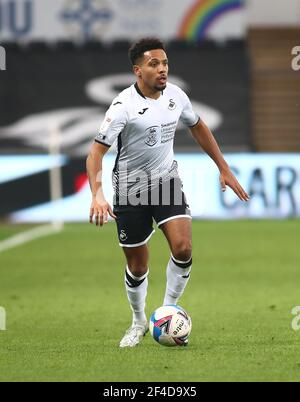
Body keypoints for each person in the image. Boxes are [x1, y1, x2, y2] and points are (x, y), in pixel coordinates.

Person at [86, 38, 250, 348]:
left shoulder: (177, 97)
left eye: (165, 64)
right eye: (154, 64)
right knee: (137, 266)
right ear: (138, 71)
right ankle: (137, 322)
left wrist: (223, 167)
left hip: (166, 183)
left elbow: (198, 126)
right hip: (130, 190)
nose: (162, 70)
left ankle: (166, 312)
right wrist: (97, 194)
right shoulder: (123, 106)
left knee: (183, 247)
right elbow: (95, 154)